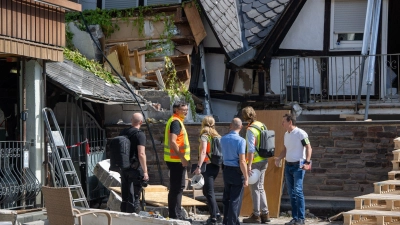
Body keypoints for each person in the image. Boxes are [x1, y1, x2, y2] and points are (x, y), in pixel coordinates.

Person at [274, 114, 312, 225]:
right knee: (291, 192)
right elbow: (286, 149)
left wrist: (307, 162)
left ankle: (301, 218)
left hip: (298, 166)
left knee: (298, 191)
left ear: (290, 122)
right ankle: (295, 218)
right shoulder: (286, 134)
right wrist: (279, 158)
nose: (282, 124)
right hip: (288, 165)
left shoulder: (301, 133)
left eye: (283, 121)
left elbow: (308, 147)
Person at [241, 106, 270, 223]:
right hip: (264, 160)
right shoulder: (262, 125)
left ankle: (256, 215)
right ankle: (265, 214)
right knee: (260, 187)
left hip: (255, 162)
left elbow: (251, 149)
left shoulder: (250, 130)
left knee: (255, 189)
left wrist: (249, 166)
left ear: (244, 117)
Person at [164, 101, 191, 221]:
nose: (186, 111)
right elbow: (173, 142)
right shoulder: (175, 122)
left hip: (175, 160)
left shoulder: (176, 121)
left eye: (186, 109)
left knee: (178, 188)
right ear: (176, 110)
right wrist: (182, 158)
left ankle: (176, 214)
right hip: (176, 161)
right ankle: (175, 216)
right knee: (176, 189)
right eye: (183, 110)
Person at [193, 116, 222, 225]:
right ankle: (217, 214)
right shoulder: (217, 135)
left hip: (207, 166)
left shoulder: (205, 136)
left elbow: (203, 152)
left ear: (203, 123)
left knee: (209, 192)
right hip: (215, 165)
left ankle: (213, 218)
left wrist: (199, 166)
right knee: (206, 191)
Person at [220, 118, 248, 225]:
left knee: (227, 197)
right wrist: (246, 177)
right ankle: (232, 222)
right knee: (235, 199)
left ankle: (226, 221)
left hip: (226, 169)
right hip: (237, 171)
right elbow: (242, 160)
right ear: (241, 127)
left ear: (231, 125)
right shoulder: (241, 140)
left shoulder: (223, 139)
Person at [120, 113, 149, 213]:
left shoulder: (123, 132)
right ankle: (134, 217)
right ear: (141, 122)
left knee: (125, 196)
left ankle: (124, 218)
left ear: (131, 120)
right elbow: (141, 153)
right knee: (135, 197)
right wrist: (145, 172)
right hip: (135, 168)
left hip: (124, 168)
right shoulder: (139, 134)